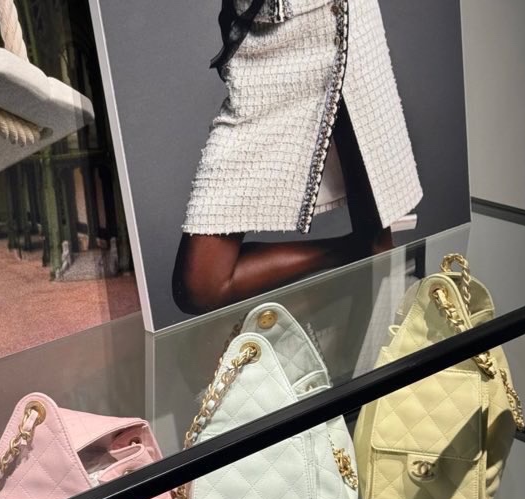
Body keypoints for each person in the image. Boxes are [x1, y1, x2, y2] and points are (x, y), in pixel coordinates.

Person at [173, 0, 422, 313]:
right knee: (201, 287)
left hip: (335, 25)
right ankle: (352, 252)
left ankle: (371, 260)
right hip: (262, 41)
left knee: (378, 248)